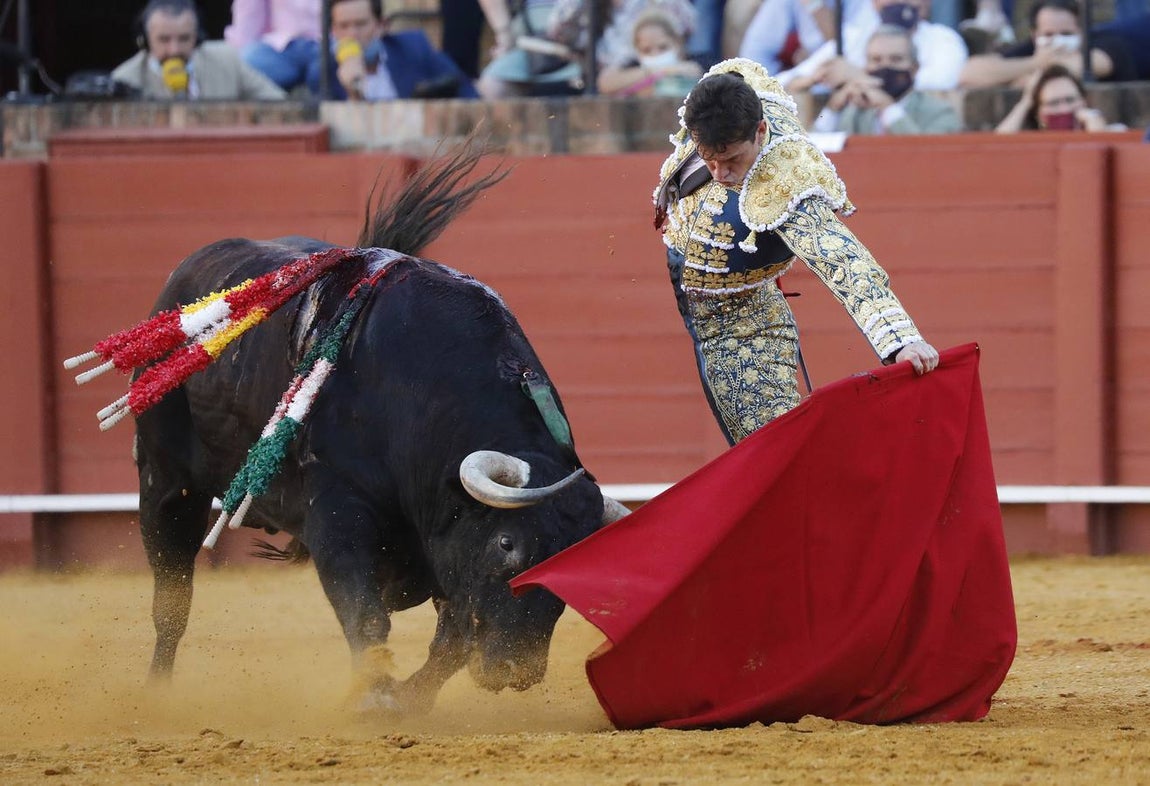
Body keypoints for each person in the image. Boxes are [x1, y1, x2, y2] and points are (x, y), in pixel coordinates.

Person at [653, 58, 938, 444]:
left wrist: (900, 340)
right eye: (709, 159)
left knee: (774, 451)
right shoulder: (733, 87)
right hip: (697, 285)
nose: (720, 173)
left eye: (732, 160)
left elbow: (843, 258)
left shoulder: (788, 179)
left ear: (760, 130)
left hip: (743, 323)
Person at [778, 0, 968, 93]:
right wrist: (811, 79)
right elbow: (782, 82)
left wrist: (859, 76)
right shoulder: (852, 37)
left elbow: (942, 81)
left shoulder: (943, 38)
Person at [113, 0, 286, 100]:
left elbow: (281, 104)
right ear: (144, 40)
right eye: (164, 39)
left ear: (198, 37)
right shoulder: (125, 80)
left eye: (184, 38)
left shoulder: (228, 60)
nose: (174, 50)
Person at [309, 0, 479, 100]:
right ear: (333, 31)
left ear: (381, 26)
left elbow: (466, 92)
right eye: (344, 26)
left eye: (360, 24)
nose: (352, 34)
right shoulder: (323, 73)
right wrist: (352, 91)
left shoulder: (414, 48)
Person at [812, 25, 963, 135]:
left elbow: (924, 157)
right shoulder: (856, 109)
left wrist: (888, 108)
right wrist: (831, 109)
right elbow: (809, 152)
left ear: (914, 68)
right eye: (876, 60)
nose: (885, 66)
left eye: (896, 59)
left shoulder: (940, 112)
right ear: (866, 67)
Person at [958, 0, 1137, 88]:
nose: (1056, 41)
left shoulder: (1106, 43)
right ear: (1035, 35)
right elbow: (969, 73)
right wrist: (1036, 63)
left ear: (1082, 32)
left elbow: (1094, 64)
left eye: (1066, 34)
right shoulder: (1031, 50)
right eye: (1049, 34)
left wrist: (1020, 77)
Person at [738, 0, 873, 76]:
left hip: (853, 75)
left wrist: (815, 5)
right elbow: (756, 51)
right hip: (807, 79)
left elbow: (847, 49)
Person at [597, 8, 702, 96]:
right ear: (637, 50)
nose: (655, 54)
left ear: (677, 43)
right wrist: (660, 71)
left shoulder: (698, 60)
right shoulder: (634, 65)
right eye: (646, 50)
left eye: (662, 47)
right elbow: (605, 83)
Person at [995, 63, 1126, 132]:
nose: (1064, 109)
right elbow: (995, 149)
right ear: (1038, 114)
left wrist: (1095, 126)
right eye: (1053, 103)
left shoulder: (1116, 131)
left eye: (1070, 100)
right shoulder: (1032, 144)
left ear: (1084, 101)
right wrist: (1025, 102)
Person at [225, 0, 322, 93]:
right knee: (247, 61)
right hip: (282, 48)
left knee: (325, 65)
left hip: (326, 44)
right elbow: (249, 16)